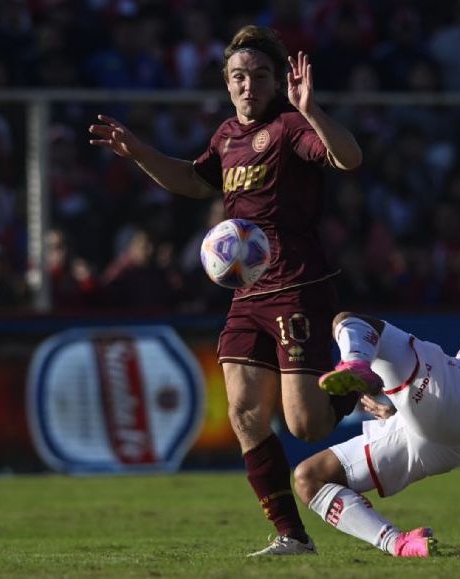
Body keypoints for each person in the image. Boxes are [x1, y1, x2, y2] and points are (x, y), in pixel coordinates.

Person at [88, 25, 363, 556]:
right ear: (227, 82)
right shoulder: (226, 137)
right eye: (238, 76)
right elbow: (195, 182)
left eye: (260, 76)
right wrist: (140, 151)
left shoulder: (288, 126)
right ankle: (291, 535)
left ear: (278, 81)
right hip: (247, 292)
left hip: (298, 286)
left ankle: (352, 385)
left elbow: (349, 159)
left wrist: (313, 111)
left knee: (305, 425)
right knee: (243, 413)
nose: (248, 85)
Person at [292, 209, 460, 557]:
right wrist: (400, 412)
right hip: (451, 440)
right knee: (310, 478)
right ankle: (399, 544)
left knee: (353, 322)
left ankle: (357, 365)